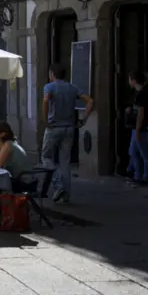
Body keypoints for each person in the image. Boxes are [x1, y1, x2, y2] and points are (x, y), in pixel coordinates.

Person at [42, 63, 94, 204]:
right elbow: (90, 101)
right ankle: (65, 195)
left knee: (46, 157)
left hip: (53, 127)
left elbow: (46, 100)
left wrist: (45, 119)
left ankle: (58, 185)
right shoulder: (72, 87)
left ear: (52, 74)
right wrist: (83, 119)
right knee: (65, 161)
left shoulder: (49, 87)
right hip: (69, 128)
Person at [126, 71, 148, 187]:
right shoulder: (138, 93)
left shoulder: (142, 95)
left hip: (142, 128)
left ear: (133, 81)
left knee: (144, 154)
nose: (129, 82)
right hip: (137, 128)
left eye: (130, 79)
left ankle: (146, 176)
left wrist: (138, 129)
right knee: (133, 152)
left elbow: (141, 114)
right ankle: (137, 175)